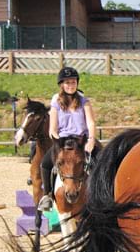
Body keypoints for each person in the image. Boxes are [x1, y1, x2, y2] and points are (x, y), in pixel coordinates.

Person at [38, 66, 97, 211]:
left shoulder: (84, 100)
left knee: (102, 159)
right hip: (63, 141)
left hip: (82, 140)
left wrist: (92, 140)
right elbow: (52, 128)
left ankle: (105, 195)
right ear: (61, 85)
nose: (71, 86)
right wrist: (59, 143)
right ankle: (47, 196)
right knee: (45, 164)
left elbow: (91, 122)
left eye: (73, 82)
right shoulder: (56, 101)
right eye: (67, 83)